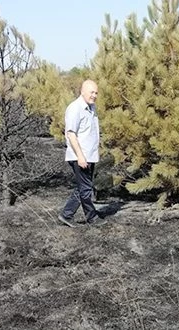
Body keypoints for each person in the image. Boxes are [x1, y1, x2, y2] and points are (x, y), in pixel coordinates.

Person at [58, 80, 106, 227]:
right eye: (92, 92)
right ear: (82, 91)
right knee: (85, 189)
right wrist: (80, 156)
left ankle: (66, 215)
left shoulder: (91, 108)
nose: (94, 95)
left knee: (83, 187)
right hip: (80, 156)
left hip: (89, 156)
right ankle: (92, 218)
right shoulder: (75, 108)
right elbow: (71, 134)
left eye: (96, 92)